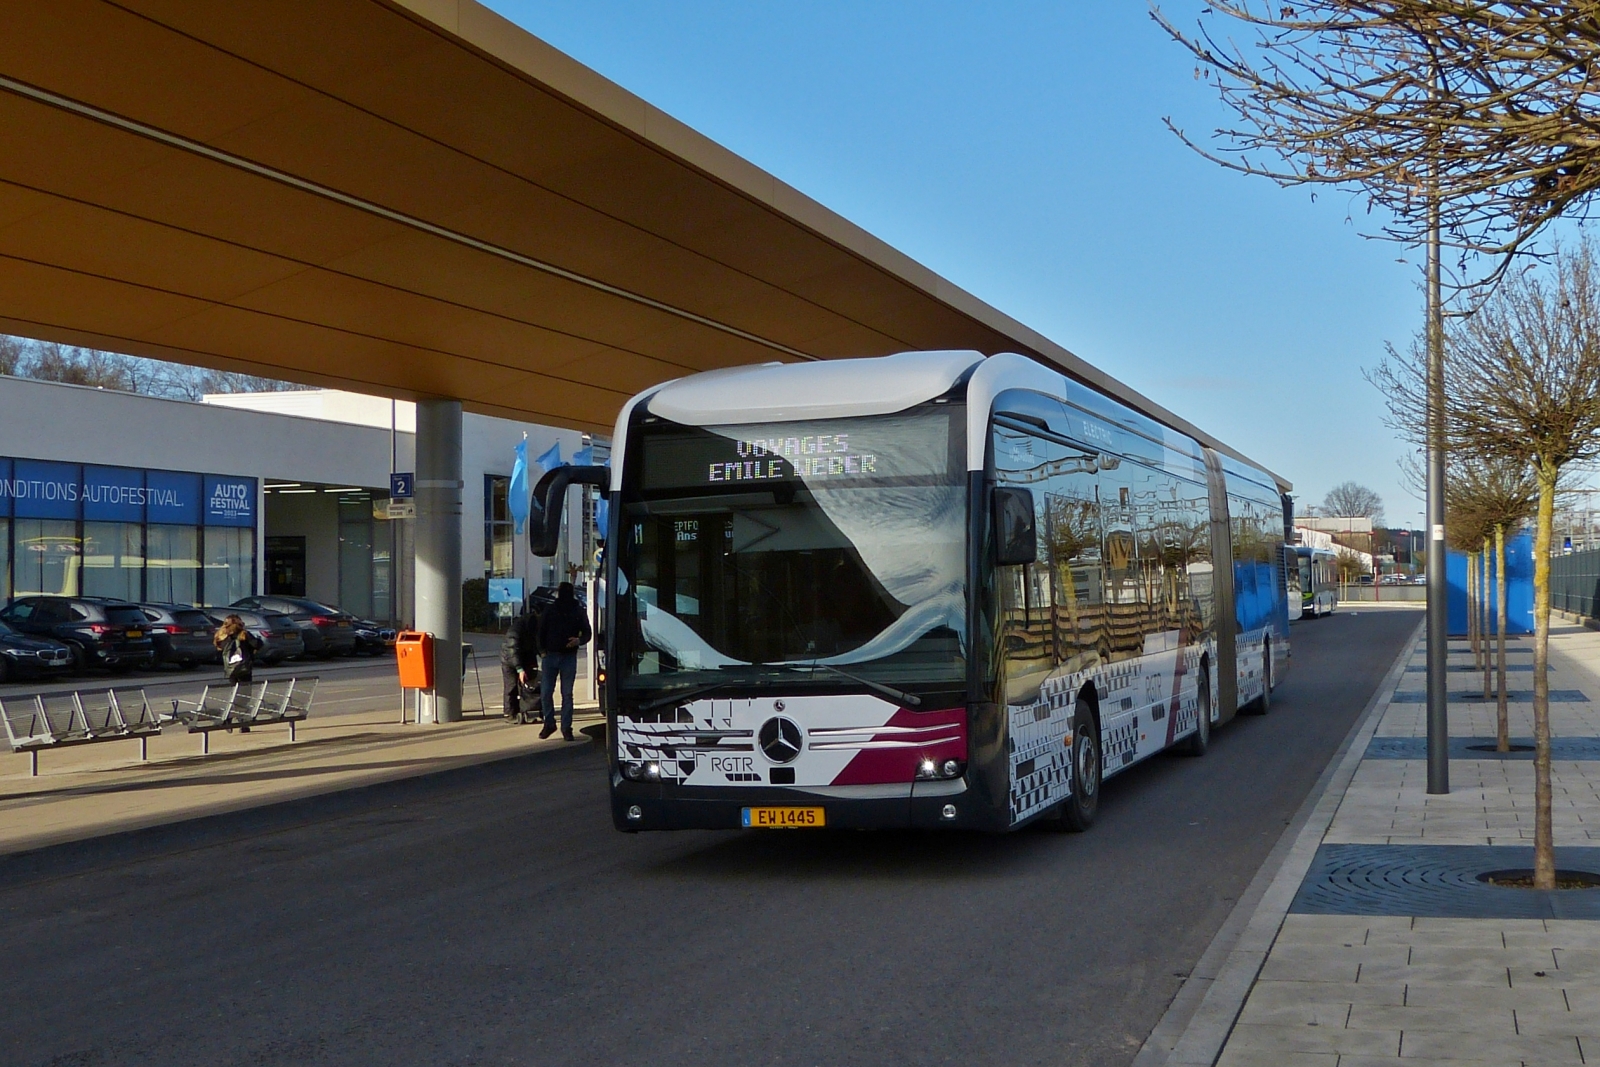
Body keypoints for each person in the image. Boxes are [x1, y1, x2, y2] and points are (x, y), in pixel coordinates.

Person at [537, 582, 591, 740]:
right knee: (565, 694)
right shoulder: (576, 610)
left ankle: (552, 723)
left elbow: (540, 632)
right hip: (565, 656)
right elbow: (588, 633)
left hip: (555, 655)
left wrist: (542, 652)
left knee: (547, 692)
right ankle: (563, 727)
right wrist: (579, 640)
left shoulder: (552, 610)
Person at [499, 597, 541, 724]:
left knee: (526, 685)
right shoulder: (515, 631)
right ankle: (509, 713)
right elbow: (513, 651)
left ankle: (523, 710)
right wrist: (520, 669)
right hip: (509, 659)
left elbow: (533, 645)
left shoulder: (530, 629)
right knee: (511, 686)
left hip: (522, 657)